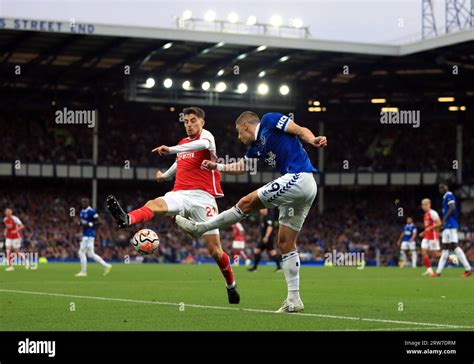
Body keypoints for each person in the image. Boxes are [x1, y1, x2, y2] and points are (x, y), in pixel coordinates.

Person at [176, 111, 327, 313]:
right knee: (284, 242)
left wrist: (313, 139)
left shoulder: (269, 121)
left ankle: (200, 228)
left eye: (239, 133)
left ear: (246, 126)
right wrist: (216, 166)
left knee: (246, 202)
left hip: (299, 177)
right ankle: (294, 300)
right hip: (302, 190)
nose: (239, 138)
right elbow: (241, 167)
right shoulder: (256, 147)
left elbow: (299, 130)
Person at [106, 107, 239, 303]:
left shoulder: (206, 137)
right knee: (153, 204)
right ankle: (127, 218)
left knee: (215, 251)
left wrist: (170, 149)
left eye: (193, 120)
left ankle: (231, 286)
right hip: (179, 194)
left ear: (202, 122)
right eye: (185, 121)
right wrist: (165, 176)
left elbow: (197, 146)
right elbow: (180, 162)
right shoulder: (183, 144)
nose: (189, 124)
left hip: (204, 198)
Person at [433, 183, 472, 277]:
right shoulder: (445, 197)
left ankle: (468, 269)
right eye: (439, 188)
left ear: (445, 187)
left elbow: (452, 208)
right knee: (445, 249)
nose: (440, 190)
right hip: (447, 226)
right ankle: (438, 272)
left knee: (454, 246)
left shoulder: (449, 195)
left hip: (450, 224)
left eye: (441, 188)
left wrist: (444, 220)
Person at [75, 198, 112, 277]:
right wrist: (80, 223)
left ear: (88, 203)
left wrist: (90, 224)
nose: (83, 204)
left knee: (81, 252)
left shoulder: (91, 211)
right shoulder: (82, 211)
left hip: (89, 235)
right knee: (91, 254)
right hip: (85, 234)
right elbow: (84, 222)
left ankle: (83, 272)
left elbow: (99, 221)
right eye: (82, 202)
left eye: (84, 202)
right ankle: (106, 265)